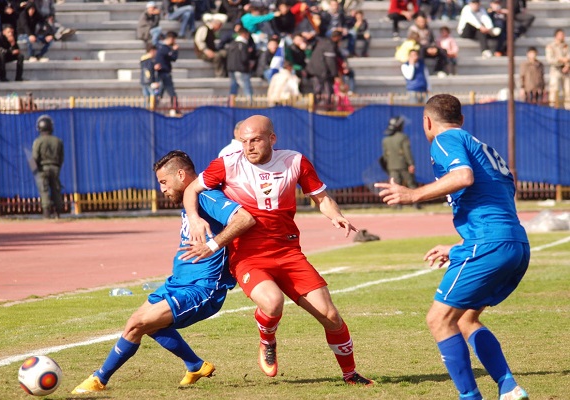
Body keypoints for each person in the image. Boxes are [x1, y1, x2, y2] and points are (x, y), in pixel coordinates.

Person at [182, 115, 373, 387]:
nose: (249, 146)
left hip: (288, 252)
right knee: (272, 303)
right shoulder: (227, 163)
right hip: (248, 255)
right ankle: (267, 338)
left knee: (330, 316)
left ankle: (350, 374)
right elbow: (192, 188)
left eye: (256, 140)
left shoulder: (295, 161)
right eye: (244, 141)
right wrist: (193, 217)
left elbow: (321, 197)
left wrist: (335, 215)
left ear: (272, 139)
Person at [375, 94, 530, 400]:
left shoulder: (446, 140)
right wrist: (460, 245)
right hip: (514, 244)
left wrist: (413, 195)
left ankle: (470, 397)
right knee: (465, 319)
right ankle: (508, 387)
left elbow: (463, 177)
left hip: (489, 244)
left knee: (438, 319)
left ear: (427, 122)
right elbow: (498, 200)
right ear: (461, 119)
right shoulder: (485, 150)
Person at [71, 150, 255, 394]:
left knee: (137, 324)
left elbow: (244, 219)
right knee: (142, 323)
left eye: (164, 182)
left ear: (181, 175)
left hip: (202, 288)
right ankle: (195, 365)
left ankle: (99, 379)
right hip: (177, 282)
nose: (162, 189)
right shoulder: (190, 203)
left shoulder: (207, 196)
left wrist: (212, 245)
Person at [380, 115, 419, 209]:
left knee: (394, 185)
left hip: (392, 166)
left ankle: (396, 205)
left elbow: (385, 156)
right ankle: (416, 204)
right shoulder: (403, 137)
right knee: (411, 183)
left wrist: (387, 166)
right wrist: (411, 163)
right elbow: (407, 152)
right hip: (403, 165)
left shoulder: (385, 140)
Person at [32, 115, 64, 219]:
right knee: (56, 189)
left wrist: (35, 170)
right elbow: (61, 157)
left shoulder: (38, 141)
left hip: (42, 169)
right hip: (55, 168)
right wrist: (58, 166)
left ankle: (46, 213)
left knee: (44, 190)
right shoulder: (58, 141)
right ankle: (58, 213)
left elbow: (35, 157)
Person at [193, 13, 227, 78]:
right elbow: (199, 41)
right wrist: (206, 50)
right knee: (217, 56)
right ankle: (219, 75)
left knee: (225, 53)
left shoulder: (212, 31)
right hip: (203, 53)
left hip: (211, 50)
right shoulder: (204, 28)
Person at [226, 26, 254, 104]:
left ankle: (231, 104)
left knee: (233, 88)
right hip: (241, 69)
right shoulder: (243, 44)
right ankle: (250, 104)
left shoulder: (232, 43)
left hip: (231, 69)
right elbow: (244, 58)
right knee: (247, 87)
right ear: (244, 34)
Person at [545, 29, 570, 109]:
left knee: (568, 91)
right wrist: (561, 60)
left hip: (566, 71)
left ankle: (568, 109)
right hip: (555, 70)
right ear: (556, 36)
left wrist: (567, 65)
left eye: (563, 35)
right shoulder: (551, 46)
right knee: (554, 90)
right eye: (560, 35)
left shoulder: (567, 46)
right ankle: (553, 108)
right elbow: (550, 59)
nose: (562, 36)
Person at [155, 31, 179, 110]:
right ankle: (175, 109)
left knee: (159, 93)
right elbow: (174, 58)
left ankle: (153, 107)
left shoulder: (160, 47)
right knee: (172, 93)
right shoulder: (165, 49)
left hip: (161, 74)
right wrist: (175, 50)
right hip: (164, 74)